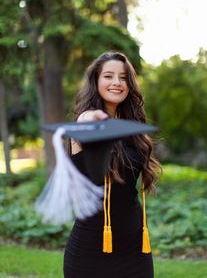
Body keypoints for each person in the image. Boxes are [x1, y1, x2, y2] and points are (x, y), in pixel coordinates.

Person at [63, 51, 161, 278]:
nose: (117, 82)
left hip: (135, 248)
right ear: (96, 81)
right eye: (108, 76)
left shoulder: (131, 128)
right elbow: (85, 122)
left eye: (124, 77)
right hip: (91, 250)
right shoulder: (85, 121)